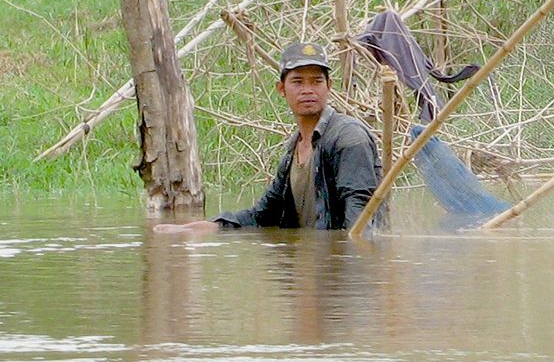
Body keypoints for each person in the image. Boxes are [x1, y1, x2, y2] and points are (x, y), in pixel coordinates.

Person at [154, 40, 384, 234]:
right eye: (298, 82)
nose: (308, 90)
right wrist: (204, 227)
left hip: (338, 270)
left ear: (329, 86)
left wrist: (352, 267)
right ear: (281, 89)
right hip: (308, 267)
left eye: (316, 81)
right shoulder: (294, 148)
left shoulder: (349, 138)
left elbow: (361, 219)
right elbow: (265, 215)